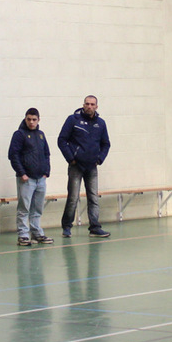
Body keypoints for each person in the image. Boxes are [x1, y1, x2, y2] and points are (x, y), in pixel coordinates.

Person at [58, 95, 111, 238]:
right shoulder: (73, 120)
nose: (89, 106)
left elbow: (106, 144)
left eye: (92, 104)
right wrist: (71, 158)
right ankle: (67, 227)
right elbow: (61, 140)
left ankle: (94, 227)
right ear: (83, 105)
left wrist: (99, 159)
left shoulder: (101, 123)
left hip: (92, 167)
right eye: (87, 104)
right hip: (76, 167)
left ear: (96, 107)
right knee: (73, 198)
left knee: (93, 198)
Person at [8, 108, 53, 246]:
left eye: (34, 119)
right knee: (24, 208)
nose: (31, 122)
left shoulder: (41, 135)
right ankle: (23, 235)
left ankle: (37, 233)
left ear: (39, 120)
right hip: (26, 179)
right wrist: (22, 173)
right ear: (25, 119)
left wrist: (46, 171)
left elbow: (47, 154)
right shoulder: (19, 134)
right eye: (29, 119)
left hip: (41, 179)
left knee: (37, 208)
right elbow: (13, 155)